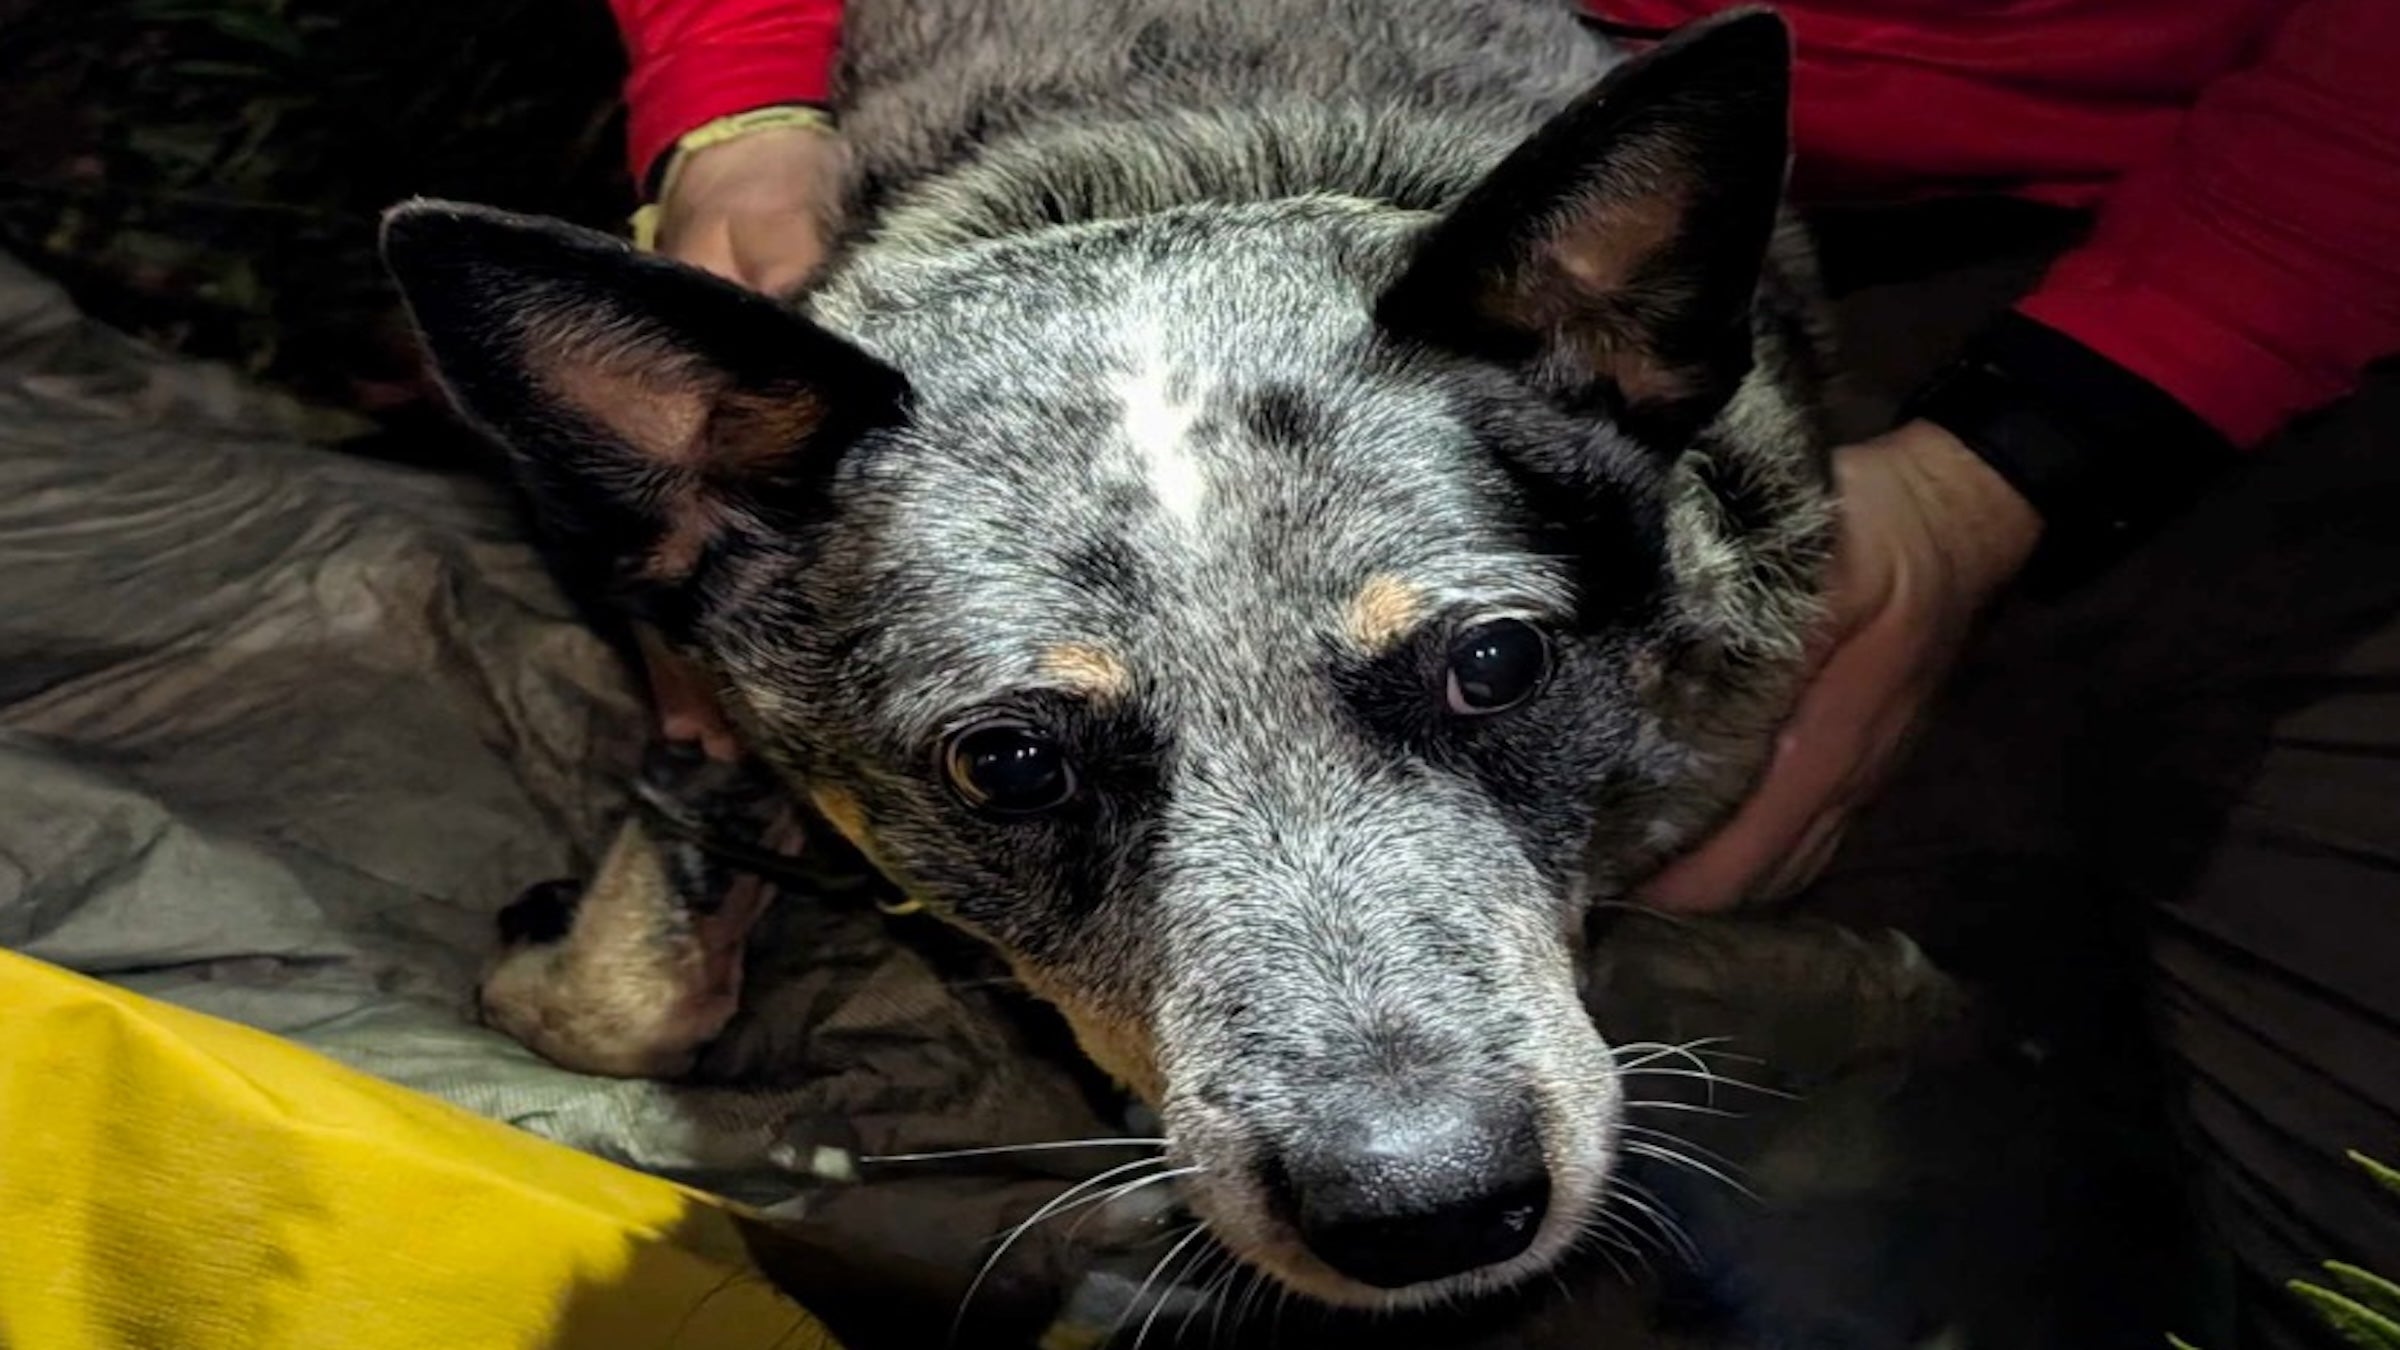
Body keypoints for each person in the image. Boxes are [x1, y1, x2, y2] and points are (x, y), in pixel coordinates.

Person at [602, 1, 2400, 1345]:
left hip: (2173, 200)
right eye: (1021, 764)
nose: (1400, 1150)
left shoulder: (1589, 356)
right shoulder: (781, 525)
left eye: (1482, 671)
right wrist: (735, 92)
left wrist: (2006, 473)